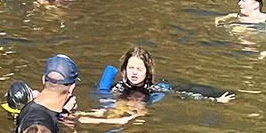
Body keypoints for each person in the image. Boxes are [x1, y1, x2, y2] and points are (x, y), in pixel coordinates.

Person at [94, 47, 234, 103]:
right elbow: (105, 98)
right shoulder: (118, 87)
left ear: (147, 72)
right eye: (131, 68)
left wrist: (214, 100)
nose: (134, 72)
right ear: (124, 70)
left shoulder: (154, 89)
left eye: (139, 69)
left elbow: (184, 94)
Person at [14, 55, 77, 133]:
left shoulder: (32, 110)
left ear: (43, 79)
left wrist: (63, 115)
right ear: (71, 88)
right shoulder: (39, 125)